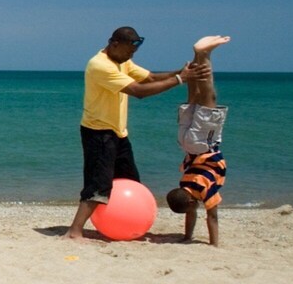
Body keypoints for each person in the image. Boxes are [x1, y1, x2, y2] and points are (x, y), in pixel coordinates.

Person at [63, 26, 207, 241]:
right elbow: (139, 92)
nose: (131, 56)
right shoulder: (100, 65)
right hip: (98, 132)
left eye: (133, 53)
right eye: (129, 51)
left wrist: (183, 72)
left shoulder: (123, 61)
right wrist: (180, 80)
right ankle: (74, 231)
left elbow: (149, 79)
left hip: (117, 132)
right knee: (98, 184)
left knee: (130, 180)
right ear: (114, 44)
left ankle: (127, 222)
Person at [168, 35, 232, 246]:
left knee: (208, 99)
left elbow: (211, 215)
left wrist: (215, 244)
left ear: (189, 200)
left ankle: (204, 54)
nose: (192, 210)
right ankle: (197, 56)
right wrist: (187, 238)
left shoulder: (203, 189)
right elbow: (191, 212)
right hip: (186, 144)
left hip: (202, 145)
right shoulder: (185, 184)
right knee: (193, 98)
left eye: (190, 207)